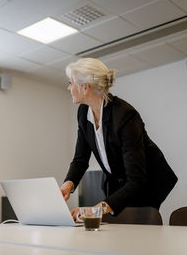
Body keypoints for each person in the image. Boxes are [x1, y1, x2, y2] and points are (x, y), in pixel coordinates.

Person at [60, 58, 178, 220]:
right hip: (120, 184)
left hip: (147, 183)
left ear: (85, 87)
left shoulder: (124, 116)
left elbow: (136, 180)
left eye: (71, 83)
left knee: (137, 230)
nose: (68, 88)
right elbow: (80, 159)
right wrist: (68, 184)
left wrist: (95, 211)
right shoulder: (83, 113)